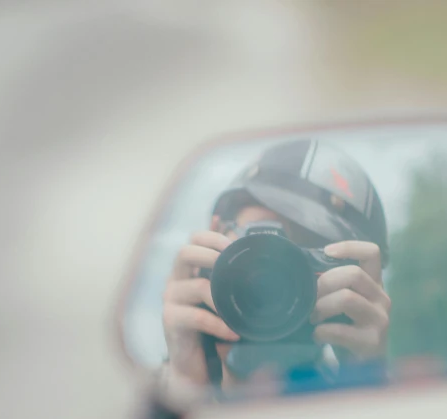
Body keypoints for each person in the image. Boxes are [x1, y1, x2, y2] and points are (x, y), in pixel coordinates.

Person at [160, 138, 391, 395]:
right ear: (215, 235)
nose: (276, 278)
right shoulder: (156, 392)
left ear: (361, 286)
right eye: (263, 245)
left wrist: (364, 378)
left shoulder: (356, 386)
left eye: (311, 257)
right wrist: (186, 386)